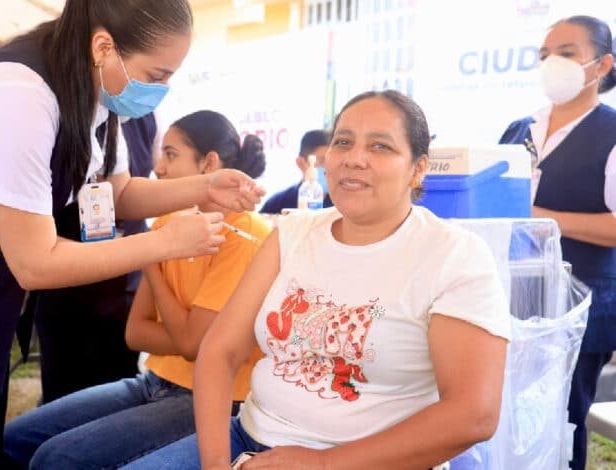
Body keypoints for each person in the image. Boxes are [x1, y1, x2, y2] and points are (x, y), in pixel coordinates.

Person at [0, 2, 265, 468]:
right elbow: (35, 261)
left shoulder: (95, 92)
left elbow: (115, 193)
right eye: (157, 74)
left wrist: (204, 187)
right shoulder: (16, 94)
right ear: (104, 46)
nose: (161, 91)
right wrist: (164, 243)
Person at [126, 91, 511, 470]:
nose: (355, 159)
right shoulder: (293, 233)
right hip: (247, 439)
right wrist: (215, 465)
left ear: (419, 167)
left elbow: (472, 414)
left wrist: (324, 463)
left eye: (380, 147)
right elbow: (218, 351)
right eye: (343, 142)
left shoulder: (454, 255)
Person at [3, 110, 270, 469]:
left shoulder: (244, 236)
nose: (158, 166)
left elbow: (194, 347)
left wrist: (155, 256)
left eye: (171, 154)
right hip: (154, 381)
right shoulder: (168, 223)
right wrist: (162, 250)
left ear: (209, 163)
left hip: (213, 398)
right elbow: (136, 333)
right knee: (15, 438)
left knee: (57, 458)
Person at [498, 15, 616, 470]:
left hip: (583, 303)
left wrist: (542, 219)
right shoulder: (518, 130)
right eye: (545, 55)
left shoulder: (610, 132)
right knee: (511, 416)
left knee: (564, 416)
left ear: (602, 64)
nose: (552, 64)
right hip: (512, 297)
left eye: (566, 53)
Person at [32, 113, 159, 404]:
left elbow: (124, 193)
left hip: (124, 285)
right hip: (63, 285)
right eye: (155, 75)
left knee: (112, 392)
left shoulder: (140, 118)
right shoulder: (49, 111)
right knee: (63, 396)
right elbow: (36, 258)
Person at [260, 129, 333, 213]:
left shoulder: (341, 206)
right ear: (301, 163)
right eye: (322, 161)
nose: (328, 168)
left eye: (332, 161)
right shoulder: (278, 204)